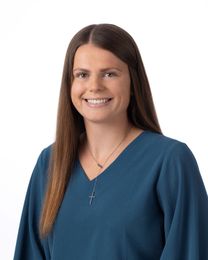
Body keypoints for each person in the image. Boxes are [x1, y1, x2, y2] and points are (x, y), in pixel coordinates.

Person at [13, 23, 208, 260]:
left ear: (133, 82)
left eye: (109, 73)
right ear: (70, 84)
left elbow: (190, 252)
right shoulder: (50, 162)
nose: (94, 86)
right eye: (82, 75)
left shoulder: (170, 161)